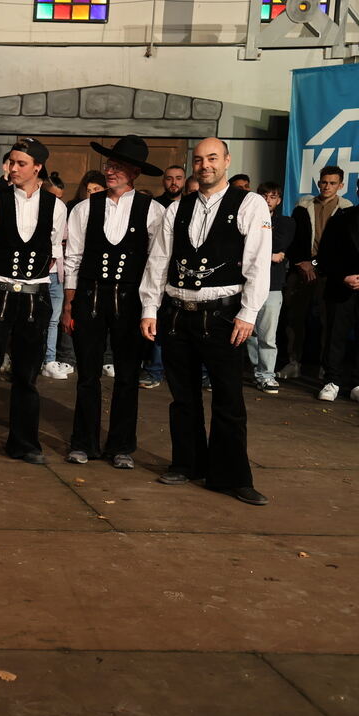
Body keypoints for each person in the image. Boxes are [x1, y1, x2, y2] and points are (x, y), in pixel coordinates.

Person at [140, 137, 271, 506]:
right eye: (198, 160)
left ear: (227, 161)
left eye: (212, 158)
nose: (205, 165)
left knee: (228, 400)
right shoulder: (177, 207)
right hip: (178, 315)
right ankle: (187, 463)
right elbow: (159, 260)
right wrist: (149, 308)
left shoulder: (250, 203)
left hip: (224, 316)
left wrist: (248, 313)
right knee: (183, 397)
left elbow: (258, 263)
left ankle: (231, 477)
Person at [0, 137, 67, 465]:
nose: (13, 168)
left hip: (34, 296)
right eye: (11, 162)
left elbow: (53, 254)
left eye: (21, 163)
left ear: (38, 167)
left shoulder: (56, 206)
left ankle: (24, 443)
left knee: (26, 376)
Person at [59, 135, 165, 469]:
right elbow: (73, 259)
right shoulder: (84, 208)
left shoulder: (154, 211)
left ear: (135, 172)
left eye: (119, 166)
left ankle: (121, 446)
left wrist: (150, 308)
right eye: (109, 164)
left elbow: (157, 263)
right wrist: (69, 304)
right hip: (90, 298)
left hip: (131, 301)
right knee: (87, 374)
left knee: (127, 376)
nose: (111, 171)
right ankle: (83, 442)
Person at [287, 166, 349, 387]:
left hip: (329, 274)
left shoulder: (346, 210)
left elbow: (343, 248)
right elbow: (293, 238)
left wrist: (314, 264)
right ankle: (293, 362)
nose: (327, 186)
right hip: (301, 271)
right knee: (294, 319)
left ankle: (326, 367)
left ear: (341, 185)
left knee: (328, 322)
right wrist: (301, 263)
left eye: (332, 183)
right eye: (324, 182)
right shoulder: (303, 205)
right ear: (318, 182)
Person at [316, 176, 359, 403]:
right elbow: (325, 256)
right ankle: (332, 380)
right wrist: (344, 276)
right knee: (335, 335)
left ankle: (357, 384)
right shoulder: (340, 219)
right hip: (340, 287)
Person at [250, 182, 294, 395]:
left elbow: (278, 244)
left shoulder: (285, 222)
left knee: (267, 334)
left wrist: (255, 252)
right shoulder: (248, 218)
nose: (267, 200)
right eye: (264, 195)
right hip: (247, 283)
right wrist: (269, 256)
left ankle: (266, 374)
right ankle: (256, 371)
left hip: (272, 285)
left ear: (279, 200)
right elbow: (242, 248)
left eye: (273, 196)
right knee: (249, 333)